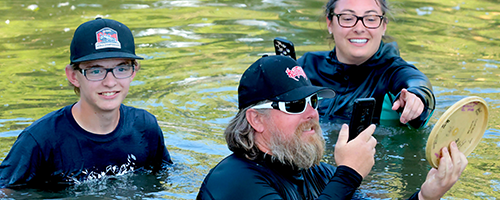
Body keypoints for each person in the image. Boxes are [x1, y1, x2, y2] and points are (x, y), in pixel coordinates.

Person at [196, 55, 467, 199]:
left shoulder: (315, 173)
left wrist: (426, 196)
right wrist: (348, 173)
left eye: (313, 101)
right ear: (256, 119)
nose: (312, 113)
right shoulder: (234, 181)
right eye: (294, 105)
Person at [0, 18, 172, 190]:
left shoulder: (145, 127)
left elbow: (164, 179)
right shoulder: (40, 141)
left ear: (133, 71)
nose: (110, 82)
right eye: (96, 70)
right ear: (73, 76)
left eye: (121, 68)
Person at [297, 0, 435, 128]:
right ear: (329, 23)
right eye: (347, 18)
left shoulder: (392, 72)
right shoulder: (308, 65)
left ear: (384, 25)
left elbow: (417, 82)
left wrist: (418, 97)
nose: (359, 28)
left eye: (370, 19)